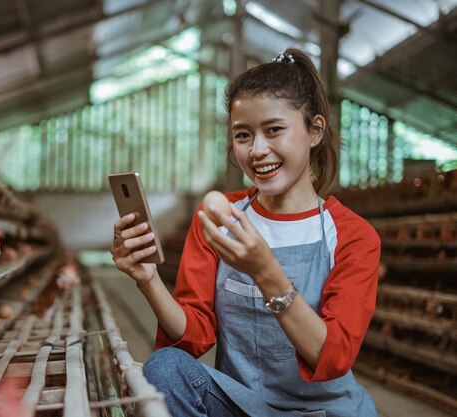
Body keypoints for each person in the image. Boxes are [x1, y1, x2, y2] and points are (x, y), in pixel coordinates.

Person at [110, 48, 380, 417]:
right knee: (165, 367)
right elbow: (194, 335)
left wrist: (264, 271)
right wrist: (147, 279)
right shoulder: (218, 217)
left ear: (314, 131)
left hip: (326, 412)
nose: (257, 151)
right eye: (243, 135)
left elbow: (331, 356)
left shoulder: (352, 236)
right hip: (242, 407)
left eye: (274, 130)